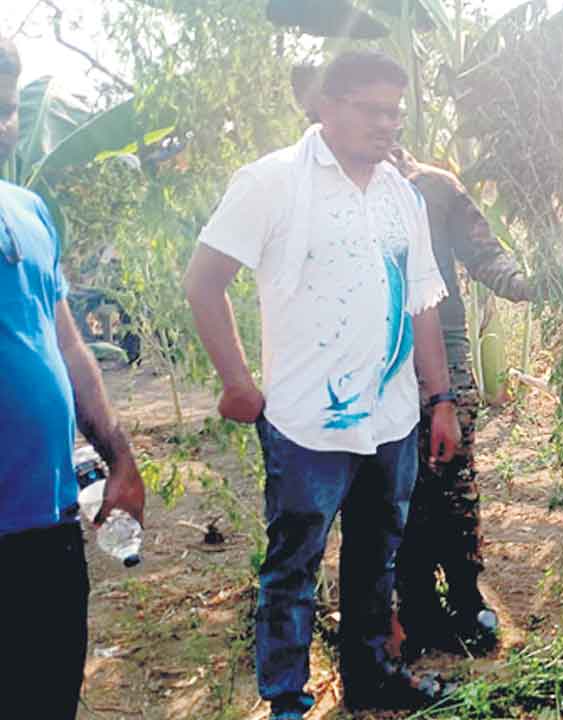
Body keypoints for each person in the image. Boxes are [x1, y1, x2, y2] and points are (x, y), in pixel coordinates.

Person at [183, 50, 460, 719]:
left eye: (396, 111)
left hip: (391, 421)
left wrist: (441, 398)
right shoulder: (273, 182)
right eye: (372, 110)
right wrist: (237, 381)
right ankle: (285, 700)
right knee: (294, 568)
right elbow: (203, 279)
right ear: (326, 106)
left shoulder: (402, 194)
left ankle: (371, 678)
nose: (388, 124)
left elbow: (423, 302)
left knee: (376, 560)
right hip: (308, 422)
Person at [0, 37, 147, 720]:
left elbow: (66, 343)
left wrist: (118, 454)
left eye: (3, 112)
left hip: (47, 525)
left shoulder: (27, 210)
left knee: (47, 699)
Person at [389, 148, 534, 658]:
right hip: (371, 358)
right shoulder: (335, 189)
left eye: (390, 116)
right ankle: (415, 604)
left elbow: (484, 252)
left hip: (442, 349)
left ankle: (467, 596)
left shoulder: (435, 187)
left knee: (452, 474)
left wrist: (524, 284)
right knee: (393, 485)